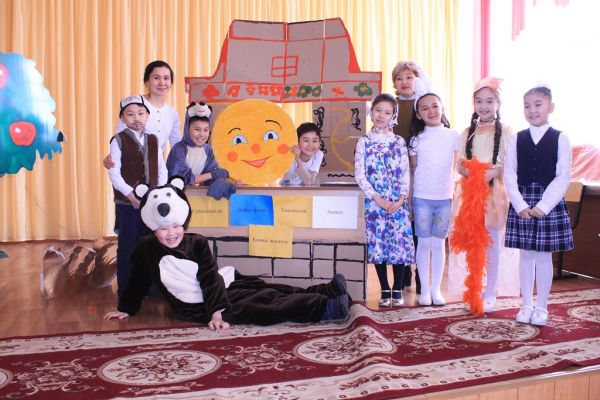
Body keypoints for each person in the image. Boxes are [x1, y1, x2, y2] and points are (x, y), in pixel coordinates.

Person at [104, 177, 350, 331]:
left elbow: (209, 277)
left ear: (184, 222)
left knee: (267, 289)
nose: (171, 234)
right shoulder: (146, 247)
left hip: (221, 287)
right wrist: (127, 307)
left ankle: (325, 290)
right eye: (164, 229)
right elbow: (137, 280)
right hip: (196, 305)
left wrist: (216, 309)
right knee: (263, 307)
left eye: (176, 226)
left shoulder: (197, 243)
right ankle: (325, 307)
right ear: (153, 227)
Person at [504, 85, 573, 326]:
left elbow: (563, 176)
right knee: (525, 256)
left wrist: (543, 206)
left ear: (551, 107)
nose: (532, 110)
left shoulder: (560, 138)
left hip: (548, 203)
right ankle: (526, 305)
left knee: (543, 257)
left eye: (538, 104)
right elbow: (509, 173)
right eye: (527, 106)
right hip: (522, 201)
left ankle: (541, 307)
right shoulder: (516, 138)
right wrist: (519, 204)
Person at [453, 77, 513, 312]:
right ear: (473, 104)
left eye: (489, 101)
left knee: (491, 241)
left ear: (498, 104)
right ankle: (475, 289)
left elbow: (511, 164)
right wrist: (471, 171)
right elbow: (459, 164)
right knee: (474, 242)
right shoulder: (467, 132)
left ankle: (491, 291)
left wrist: (493, 172)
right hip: (471, 193)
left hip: (493, 193)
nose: (484, 106)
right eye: (479, 101)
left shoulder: (506, 132)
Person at [354, 93, 415, 307]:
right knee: (378, 245)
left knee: (398, 245)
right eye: (378, 110)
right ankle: (384, 288)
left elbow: (405, 172)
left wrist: (401, 199)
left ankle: (397, 288)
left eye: (387, 112)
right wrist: (377, 199)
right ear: (371, 112)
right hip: (374, 203)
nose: (381, 115)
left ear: (393, 116)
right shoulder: (364, 141)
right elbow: (360, 175)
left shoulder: (398, 142)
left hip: (397, 203)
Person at [107, 95, 168, 296]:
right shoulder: (118, 140)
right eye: (130, 114)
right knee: (127, 245)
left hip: (150, 202)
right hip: (128, 204)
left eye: (141, 113)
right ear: (122, 118)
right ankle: (126, 288)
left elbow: (161, 169)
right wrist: (131, 196)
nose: (136, 118)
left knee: (149, 242)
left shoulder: (153, 140)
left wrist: (159, 193)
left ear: (147, 116)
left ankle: (149, 285)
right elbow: (114, 174)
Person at [408, 93, 459, 306]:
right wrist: (410, 200)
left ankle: (436, 290)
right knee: (424, 244)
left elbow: (457, 167)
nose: (431, 111)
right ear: (418, 115)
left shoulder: (453, 136)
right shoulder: (415, 140)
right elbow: (412, 170)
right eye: (425, 108)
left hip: (444, 198)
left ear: (442, 108)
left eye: (435, 106)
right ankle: (425, 291)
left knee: (438, 244)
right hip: (421, 198)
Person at [391, 61, 431, 293]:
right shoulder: (391, 105)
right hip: (396, 172)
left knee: (417, 220)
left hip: (419, 171)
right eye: (399, 78)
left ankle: (420, 273)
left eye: (409, 77)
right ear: (394, 83)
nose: (404, 82)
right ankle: (403, 269)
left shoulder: (424, 103)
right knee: (400, 220)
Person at [104, 60, 181, 168]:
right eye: (156, 78)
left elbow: (177, 144)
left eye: (166, 78)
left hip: (156, 170)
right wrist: (112, 157)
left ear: (171, 83)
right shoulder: (133, 103)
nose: (162, 82)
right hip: (129, 167)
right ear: (147, 82)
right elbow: (120, 134)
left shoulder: (172, 113)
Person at [166, 101, 228, 186]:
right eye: (197, 129)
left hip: (197, 193)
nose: (202, 134)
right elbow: (181, 179)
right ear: (187, 129)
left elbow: (212, 178)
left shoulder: (208, 150)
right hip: (176, 192)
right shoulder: (179, 149)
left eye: (205, 130)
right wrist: (212, 175)